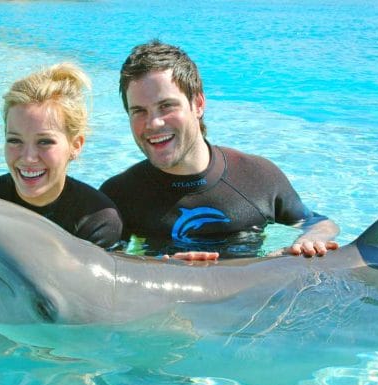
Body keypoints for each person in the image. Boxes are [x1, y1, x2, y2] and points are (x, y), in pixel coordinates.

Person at [100, 40, 339, 259]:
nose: (153, 123)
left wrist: (311, 239)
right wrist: (158, 271)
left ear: (198, 105)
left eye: (166, 106)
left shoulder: (258, 176)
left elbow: (319, 223)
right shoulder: (119, 195)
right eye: (139, 111)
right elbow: (106, 268)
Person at [0, 63, 122, 248]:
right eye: (15, 141)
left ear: (76, 145)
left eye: (45, 142)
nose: (28, 158)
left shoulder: (97, 220)